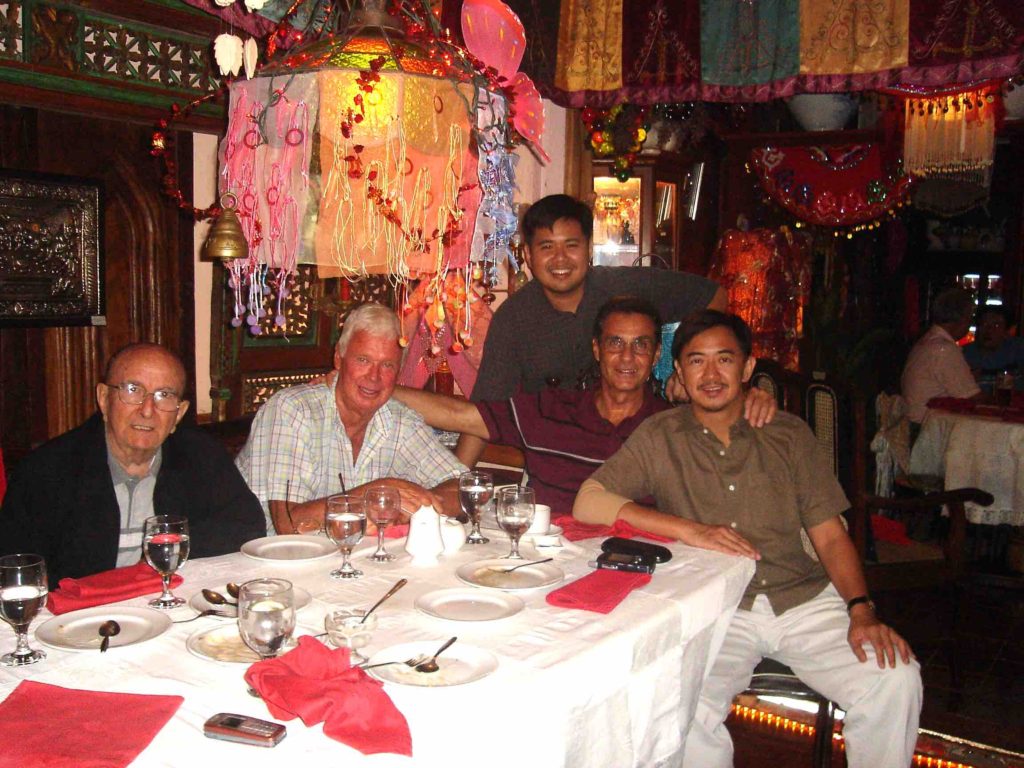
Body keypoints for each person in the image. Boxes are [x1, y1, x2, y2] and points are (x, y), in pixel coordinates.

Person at [575, 310, 921, 768]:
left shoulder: (788, 433)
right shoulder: (661, 436)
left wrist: (861, 609)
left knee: (894, 678)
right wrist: (689, 530)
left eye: (725, 359)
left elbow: (829, 536)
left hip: (803, 600)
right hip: (719, 606)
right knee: (684, 703)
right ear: (679, 372)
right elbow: (589, 501)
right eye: (696, 362)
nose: (712, 374)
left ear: (747, 367)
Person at [395, 296, 776, 517]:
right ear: (597, 350)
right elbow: (457, 414)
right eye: (615, 343)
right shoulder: (552, 410)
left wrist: (751, 394)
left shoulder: (672, 424)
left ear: (656, 353)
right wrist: (374, 387)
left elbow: (725, 408)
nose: (627, 357)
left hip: (639, 568)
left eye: (641, 345)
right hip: (546, 560)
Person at [458, 193, 726, 466]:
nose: (560, 259)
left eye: (571, 245)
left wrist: (687, 368)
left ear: (588, 249)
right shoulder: (514, 319)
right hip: (562, 458)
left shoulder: (621, 286)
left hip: (641, 448)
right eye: (547, 247)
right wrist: (453, 479)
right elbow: (485, 412)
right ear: (527, 255)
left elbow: (713, 296)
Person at [0, 343, 266, 586]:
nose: (147, 409)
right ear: (104, 399)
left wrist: (161, 554)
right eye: (133, 390)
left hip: (168, 605)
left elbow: (247, 523)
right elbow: (15, 566)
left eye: (164, 395)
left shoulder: (200, 454)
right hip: (78, 620)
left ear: (179, 413)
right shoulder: (46, 471)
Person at [237, 303, 466, 535]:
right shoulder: (293, 411)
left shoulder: (400, 420)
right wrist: (377, 493)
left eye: (387, 365)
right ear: (339, 358)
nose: (374, 376)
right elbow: (289, 524)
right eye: (363, 360)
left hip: (350, 560)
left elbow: (464, 487)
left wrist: (420, 503)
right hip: (262, 560)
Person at [901, 286, 981, 423]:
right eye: (970, 318)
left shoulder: (927, 341)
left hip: (918, 424)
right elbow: (971, 398)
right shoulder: (944, 349)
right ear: (961, 319)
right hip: (927, 430)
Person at [963, 306, 1024, 389]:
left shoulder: (1017, 349)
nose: (988, 330)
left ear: (1006, 331)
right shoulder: (964, 354)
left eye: (996, 325)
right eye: (984, 324)